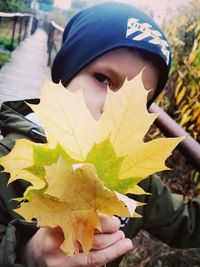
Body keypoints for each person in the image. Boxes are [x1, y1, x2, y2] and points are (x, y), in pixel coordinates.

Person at [0, 2, 200, 267]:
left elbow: (187, 223)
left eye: (135, 101)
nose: (114, 108)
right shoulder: (10, 160)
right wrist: (28, 254)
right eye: (104, 80)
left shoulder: (135, 180)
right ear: (65, 77)